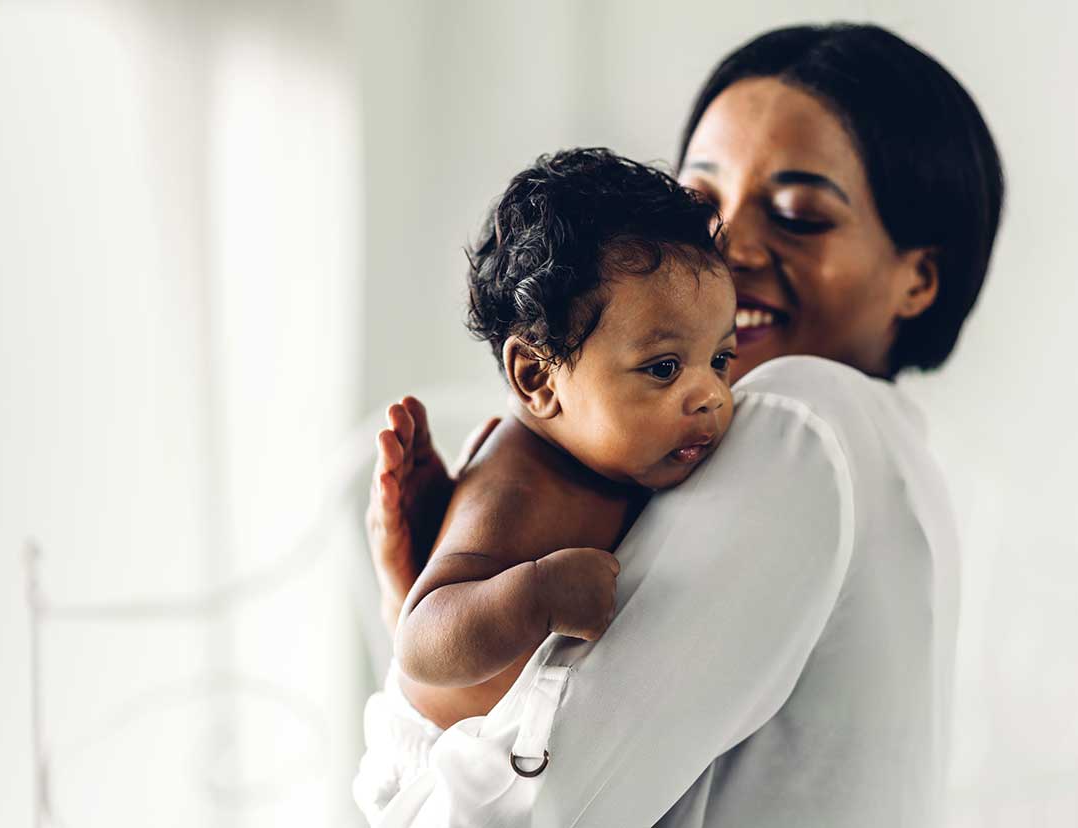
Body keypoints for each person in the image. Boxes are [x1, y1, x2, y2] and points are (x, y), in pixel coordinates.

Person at [356, 23, 1004, 826]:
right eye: (701, 208)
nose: (730, 252)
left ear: (919, 278)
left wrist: (417, 686)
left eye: (799, 214)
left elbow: (519, 812)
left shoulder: (803, 421)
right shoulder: (875, 453)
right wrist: (440, 603)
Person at [390, 149, 737, 732]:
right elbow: (420, 643)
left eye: (721, 359)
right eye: (664, 368)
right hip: (440, 765)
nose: (712, 395)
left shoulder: (613, 458)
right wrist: (536, 595)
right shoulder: (514, 486)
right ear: (539, 378)